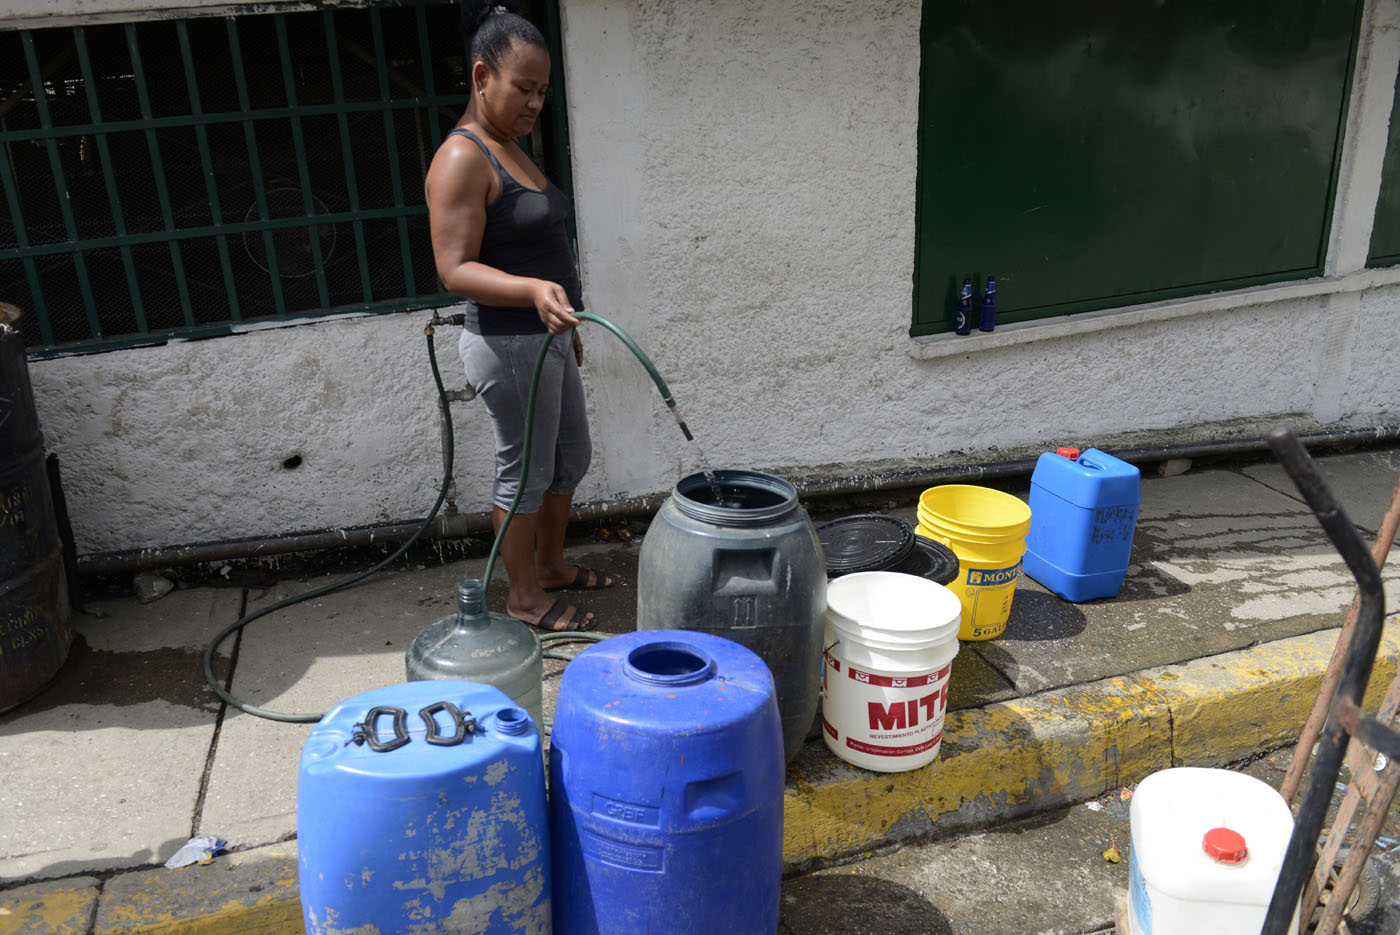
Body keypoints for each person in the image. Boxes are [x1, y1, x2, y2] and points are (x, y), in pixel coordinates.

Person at [426, 0, 611, 632]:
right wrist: (535, 290)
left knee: (571, 457)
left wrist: (561, 311)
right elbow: (454, 268)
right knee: (526, 474)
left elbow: (539, 244)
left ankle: (552, 566)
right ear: (482, 78)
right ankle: (524, 598)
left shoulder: (510, 147)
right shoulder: (462, 157)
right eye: (523, 88)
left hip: (547, 337)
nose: (535, 103)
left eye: (543, 91)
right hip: (508, 344)